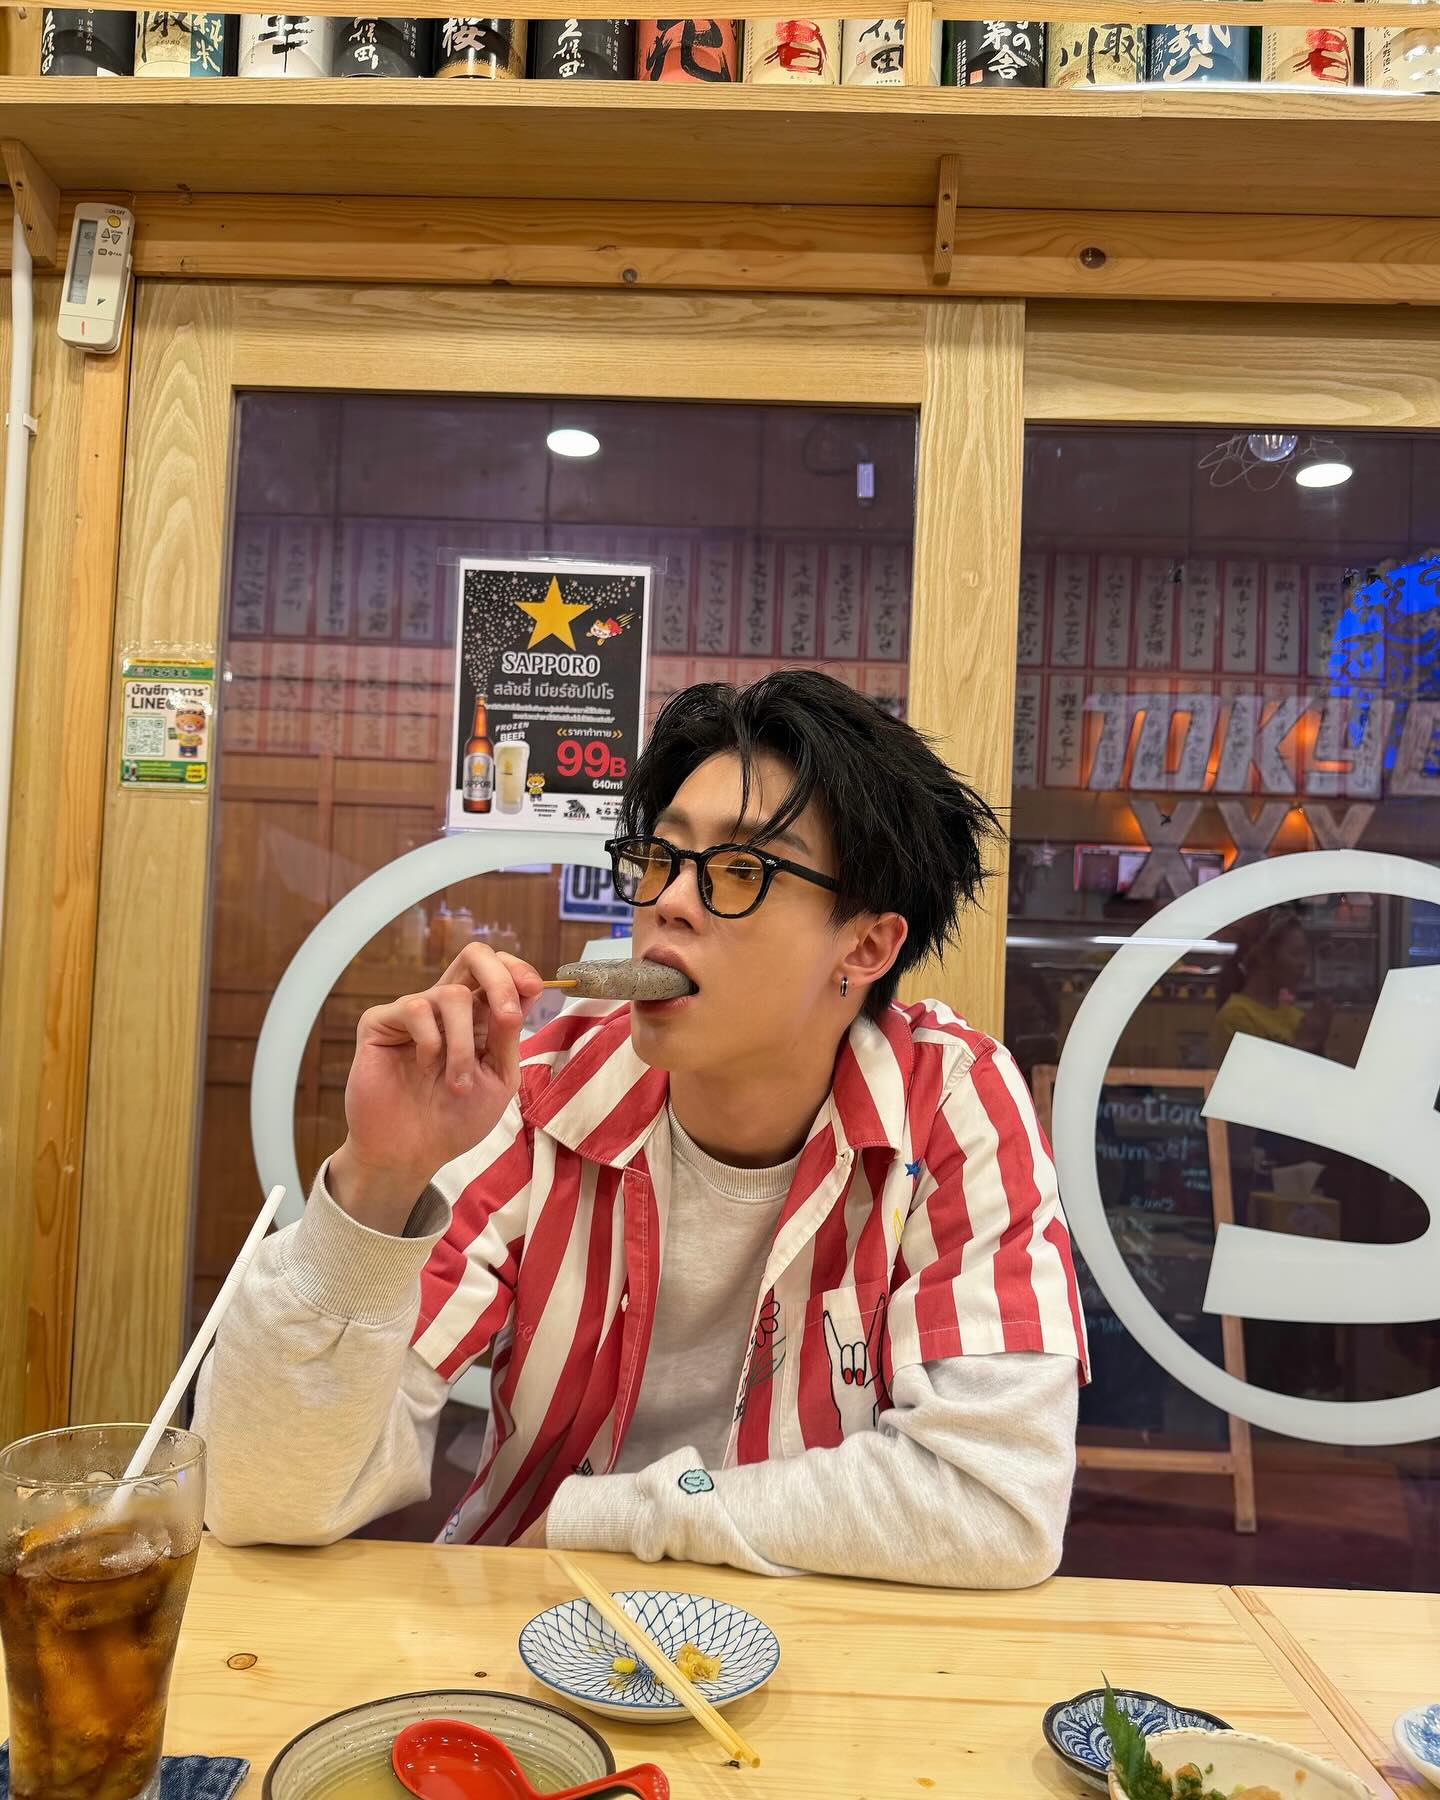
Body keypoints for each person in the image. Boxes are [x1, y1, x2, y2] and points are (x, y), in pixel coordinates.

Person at [196, 671, 1088, 1587]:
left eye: (741, 871)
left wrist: (600, 1519)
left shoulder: (946, 1106)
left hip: (818, 1642)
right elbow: (267, 1496)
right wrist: (379, 1177)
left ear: (865, 947)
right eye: (660, 859)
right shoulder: (531, 1097)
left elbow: (995, 1500)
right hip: (529, 1626)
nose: (669, 902)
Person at [1213, 907, 1332, 1063]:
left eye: (1303, 954)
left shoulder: (1297, 1019)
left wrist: (1317, 1042)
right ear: (1264, 956)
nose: (1303, 964)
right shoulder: (1236, 1016)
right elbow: (1253, 1075)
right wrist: (1305, 1043)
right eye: (1295, 953)